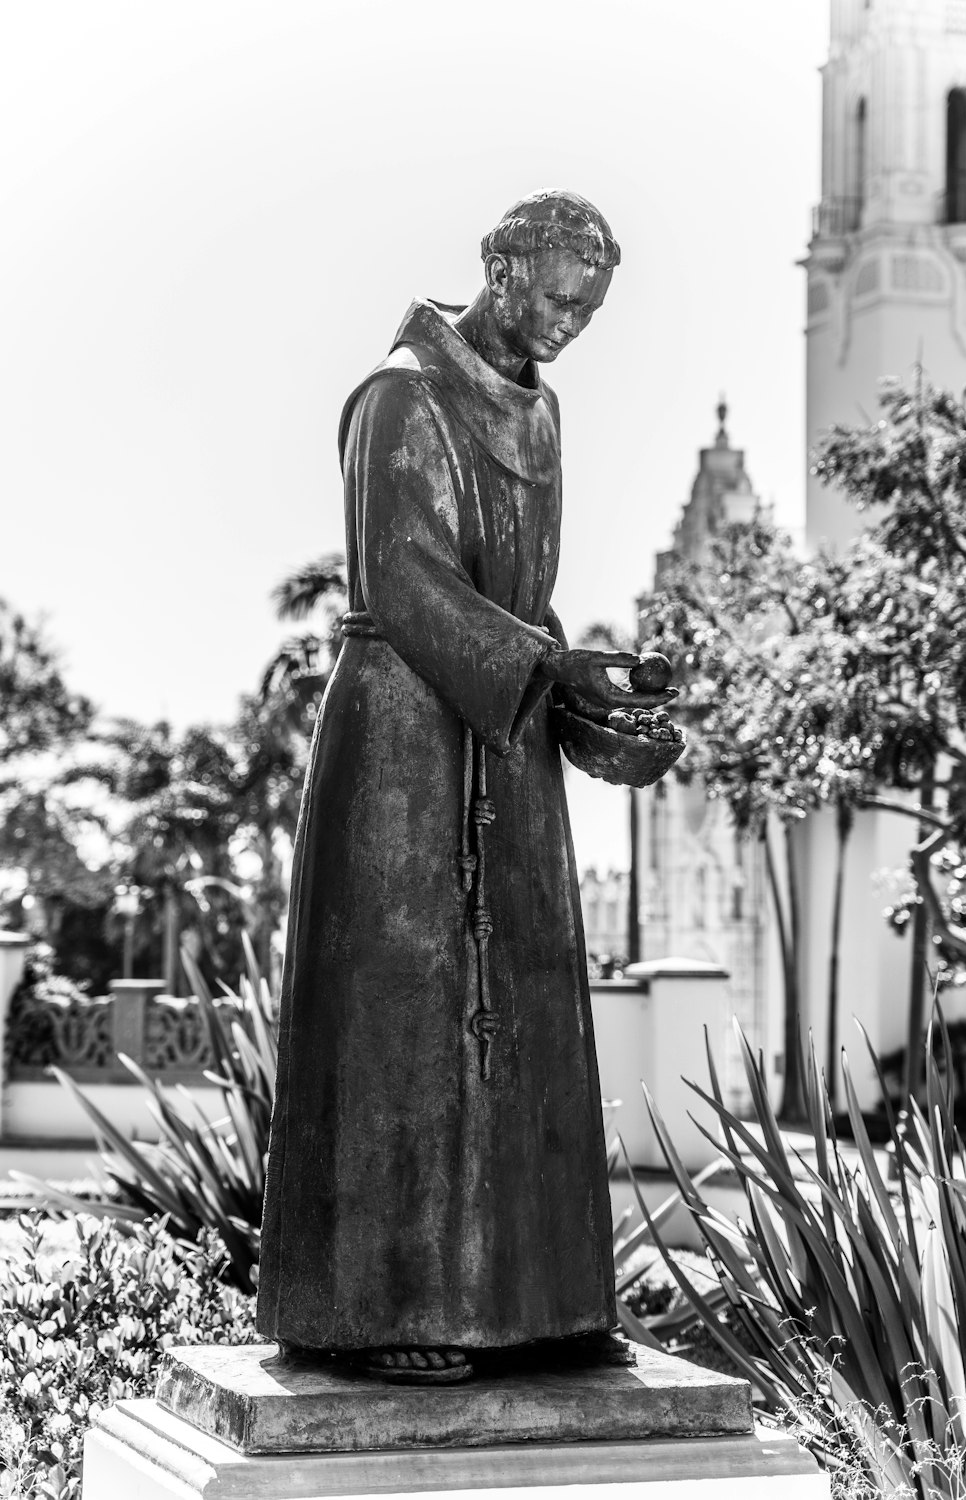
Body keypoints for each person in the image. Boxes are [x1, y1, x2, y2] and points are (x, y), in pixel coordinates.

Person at [257, 190, 673, 1384]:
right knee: (408, 1017)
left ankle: (539, 1300)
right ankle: (388, 1307)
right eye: (555, 298)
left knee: (528, 1009)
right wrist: (547, 666)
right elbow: (407, 582)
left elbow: (518, 607)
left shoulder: (537, 411)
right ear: (498, 269)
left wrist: (588, 714)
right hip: (403, 735)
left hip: (502, 737)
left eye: (587, 310)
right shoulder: (400, 395)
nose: (569, 324)